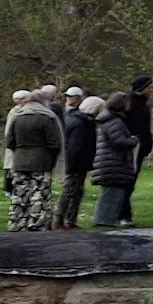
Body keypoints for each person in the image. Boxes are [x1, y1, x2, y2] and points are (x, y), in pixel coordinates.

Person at [2, 88, 64, 231]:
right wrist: (52, 159)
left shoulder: (17, 116)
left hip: (19, 161)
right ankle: (36, 222)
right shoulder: (47, 117)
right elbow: (54, 143)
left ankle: (18, 222)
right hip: (41, 161)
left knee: (20, 194)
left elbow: (10, 141)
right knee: (38, 194)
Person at [89, 92, 141, 228]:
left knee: (110, 193)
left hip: (108, 162)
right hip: (114, 163)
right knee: (112, 194)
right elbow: (118, 141)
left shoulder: (107, 119)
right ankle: (104, 221)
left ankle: (105, 220)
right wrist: (134, 141)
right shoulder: (115, 121)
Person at [58, 93, 97, 229]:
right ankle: (60, 219)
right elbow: (75, 148)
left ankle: (69, 219)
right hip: (75, 164)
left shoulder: (80, 121)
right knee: (70, 191)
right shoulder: (80, 124)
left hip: (78, 163)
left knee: (76, 191)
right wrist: (72, 167)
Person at [122, 75, 153, 223]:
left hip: (140, 146)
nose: (152, 89)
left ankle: (123, 213)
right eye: (150, 87)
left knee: (130, 181)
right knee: (127, 181)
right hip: (133, 147)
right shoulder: (130, 104)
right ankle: (124, 214)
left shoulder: (143, 104)